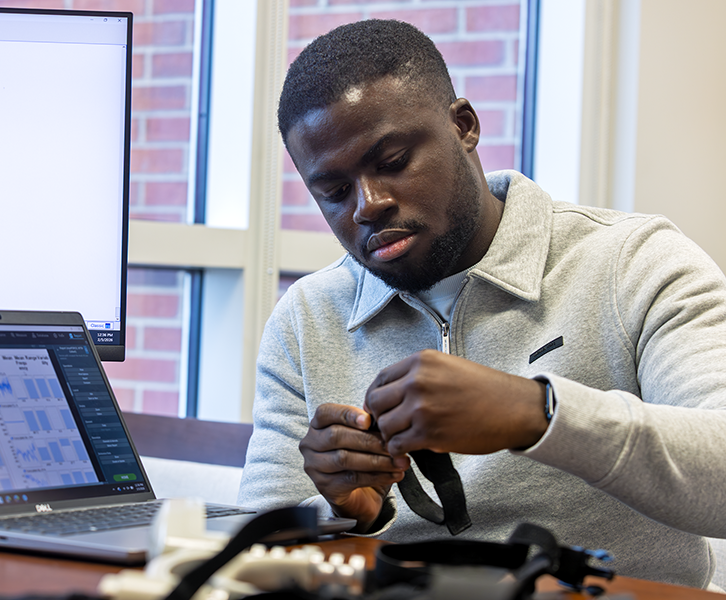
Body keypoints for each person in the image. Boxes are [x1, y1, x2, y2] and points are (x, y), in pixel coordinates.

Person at [237, 19, 726, 589]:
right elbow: (258, 549)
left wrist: (535, 413)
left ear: (463, 126)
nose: (368, 206)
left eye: (392, 161)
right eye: (334, 192)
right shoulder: (307, 318)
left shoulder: (633, 262)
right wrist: (352, 515)